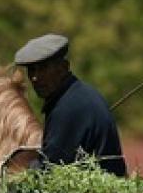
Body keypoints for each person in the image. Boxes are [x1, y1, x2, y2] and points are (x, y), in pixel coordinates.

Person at [14, 33, 126, 176]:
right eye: (31, 70)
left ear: (63, 67)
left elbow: (50, 170)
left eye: (43, 68)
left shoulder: (68, 108)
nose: (35, 77)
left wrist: (26, 169)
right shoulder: (78, 95)